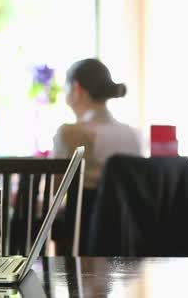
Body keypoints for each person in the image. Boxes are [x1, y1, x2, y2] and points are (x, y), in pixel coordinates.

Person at [52, 58, 142, 253]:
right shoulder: (134, 134)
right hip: (130, 236)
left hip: (84, 237)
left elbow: (56, 190)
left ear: (76, 89)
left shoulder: (71, 133)